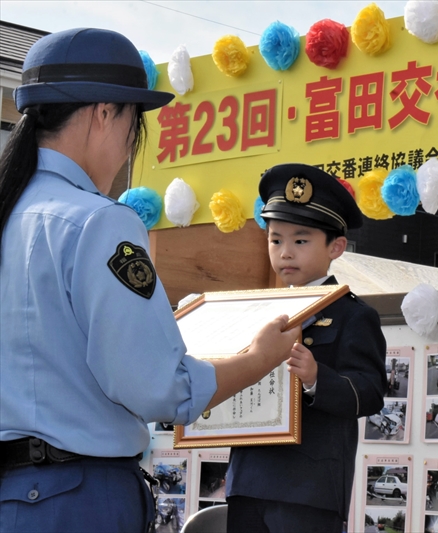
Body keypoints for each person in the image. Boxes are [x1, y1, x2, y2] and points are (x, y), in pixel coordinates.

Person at [0, 28, 299, 532]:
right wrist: (257, 360)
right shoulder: (98, 222)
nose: (125, 150)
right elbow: (159, 386)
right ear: (103, 114)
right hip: (77, 500)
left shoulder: (13, 212)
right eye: (131, 127)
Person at [225, 164, 388, 532]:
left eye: (300, 240)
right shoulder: (254, 314)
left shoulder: (354, 315)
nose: (285, 252)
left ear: (337, 246)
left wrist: (317, 378)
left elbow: (371, 393)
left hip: (309, 489)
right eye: (275, 239)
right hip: (248, 479)